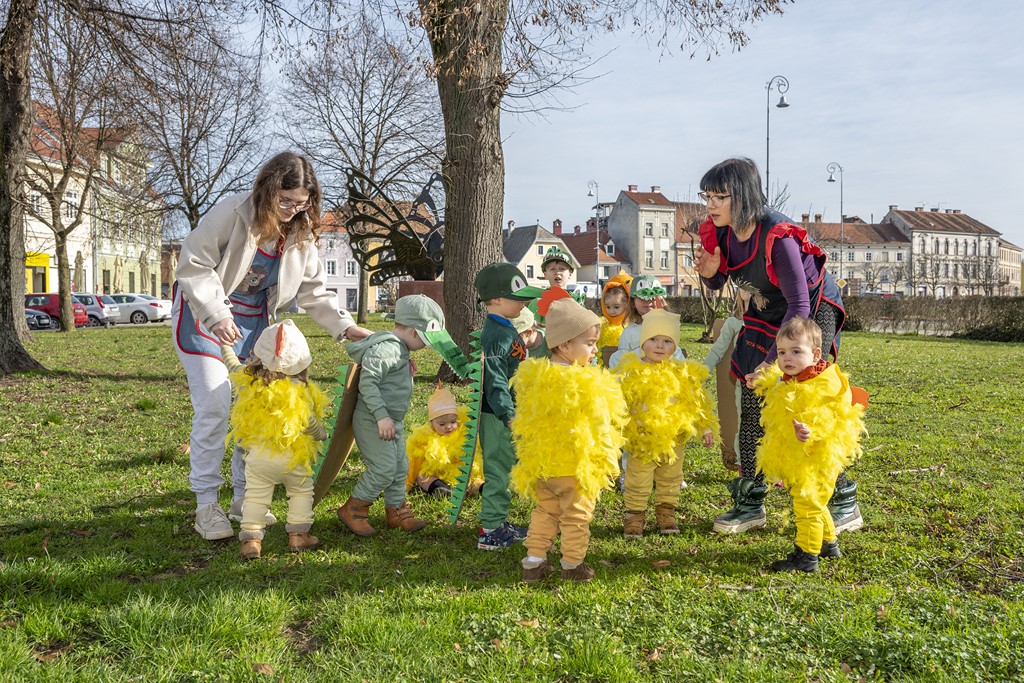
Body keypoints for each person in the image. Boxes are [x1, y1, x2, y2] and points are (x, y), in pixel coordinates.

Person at [174, 151, 371, 541]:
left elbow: (315, 291)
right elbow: (193, 263)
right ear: (267, 190)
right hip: (204, 319)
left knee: (258, 410)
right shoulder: (231, 213)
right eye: (285, 201)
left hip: (256, 329)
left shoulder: (299, 234)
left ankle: (245, 500)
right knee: (215, 404)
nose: (292, 210)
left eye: (302, 203)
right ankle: (206, 505)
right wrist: (216, 313)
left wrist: (345, 329)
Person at [693, 157, 859, 535]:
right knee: (752, 401)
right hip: (768, 309)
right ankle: (752, 501)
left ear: (745, 196)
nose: (711, 204)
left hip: (811, 309)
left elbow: (800, 308)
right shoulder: (717, 230)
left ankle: (844, 498)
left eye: (720, 196)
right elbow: (720, 280)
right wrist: (709, 274)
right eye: (708, 196)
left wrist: (773, 362)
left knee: (806, 407)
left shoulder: (778, 237)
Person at [510, 289, 628, 583]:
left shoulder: (535, 377)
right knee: (576, 517)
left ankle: (534, 562)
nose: (594, 351)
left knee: (545, 512)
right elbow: (600, 422)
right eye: (589, 344)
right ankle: (573, 564)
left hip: (543, 466)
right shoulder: (585, 380)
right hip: (575, 467)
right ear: (564, 346)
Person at [754, 318, 867, 573]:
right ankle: (828, 544)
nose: (787, 358)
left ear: (816, 354)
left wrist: (811, 431)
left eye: (796, 351)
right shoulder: (795, 377)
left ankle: (806, 556)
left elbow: (833, 419)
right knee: (816, 502)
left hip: (818, 457)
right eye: (782, 352)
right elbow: (778, 385)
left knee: (807, 504)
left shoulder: (826, 385)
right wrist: (762, 381)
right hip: (802, 456)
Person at [336, 295, 447, 536]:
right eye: (426, 340)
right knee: (384, 467)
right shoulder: (387, 348)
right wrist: (381, 417)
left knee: (399, 466)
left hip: (390, 419)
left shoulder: (398, 349)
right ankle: (354, 508)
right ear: (415, 332)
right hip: (374, 419)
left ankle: (396, 511)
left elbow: (387, 378)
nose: (427, 346)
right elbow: (368, 384)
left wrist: (403, 369)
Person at [220, 320, 328, 560]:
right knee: (301, 493)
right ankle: (299, 536)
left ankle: (251, 540)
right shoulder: (300, 389)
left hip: (259, 458)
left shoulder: (247, 380)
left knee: (256, 496)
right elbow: (308, 422)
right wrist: (321, 433)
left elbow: (231, 364)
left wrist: (225, 344)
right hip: (293, 458)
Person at [615, 309, 716, 538]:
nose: (659, 346)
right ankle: (634, 515)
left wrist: (705, 426)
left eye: (667, 341)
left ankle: (666, 513)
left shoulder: (681, 373)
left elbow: (695, 402)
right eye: (653, 339)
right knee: (637, 479)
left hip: (673, 439)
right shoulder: (631, 371)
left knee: (671, 478)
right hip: (641, 439)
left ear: (675, 346)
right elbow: (616, 400)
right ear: (642, 342)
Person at [473, 262, 543, 550]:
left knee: (505, 468)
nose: (525, 302)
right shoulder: (496, 334)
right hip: (498, 417)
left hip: (508, 414)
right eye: (519, 297)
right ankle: (490, 530)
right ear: (498, 300)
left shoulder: (505, 328)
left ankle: (498, 522)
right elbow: (495, 380)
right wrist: (508, 413)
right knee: (498, 472)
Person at [702, 289, 751, 473]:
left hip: (767, 381)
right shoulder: (734, 322)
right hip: (743, 382)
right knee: (743, 422)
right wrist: (702, 371)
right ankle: (742, 464)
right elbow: (718, 350)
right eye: (743, 284)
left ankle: (772, 469)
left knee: (768, 423)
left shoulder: (769, 321)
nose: (747, 288)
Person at [405, 384, 484, 497]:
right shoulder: (424, 439)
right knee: (421, 476)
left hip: (462, 473)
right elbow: (414, 465)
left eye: (453, 422)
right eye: (442, 424)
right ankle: (439, 488)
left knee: (473, 479)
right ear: (432, 423)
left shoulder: (465, 433)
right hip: (436, 473)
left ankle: (482, 488)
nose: (448, 427)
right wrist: (407, 484)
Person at [608, 275, 686, 370]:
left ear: (661, 300)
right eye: (642, 298)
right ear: (633, 303)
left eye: (653, 298)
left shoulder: (668, 327)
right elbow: (621, 359)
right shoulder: (629, 332)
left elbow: (676, 354)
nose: (648, 302)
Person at [597, 271, 633, 367]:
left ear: (628, 305)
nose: (611, 311)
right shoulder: (600, 326)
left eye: (616, 307)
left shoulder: (632, 327)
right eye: (607, 307)